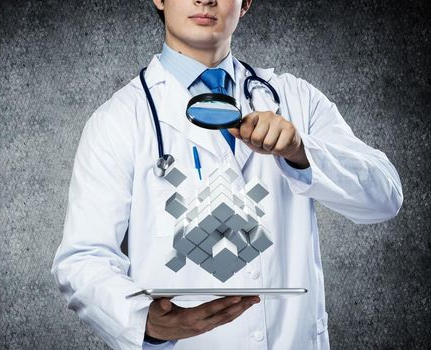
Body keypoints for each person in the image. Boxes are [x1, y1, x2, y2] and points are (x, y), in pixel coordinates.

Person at [50, 0, 403, 348]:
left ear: (246, 2)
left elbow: (385, 196)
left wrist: (300, 151)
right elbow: (83, 258)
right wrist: (145, 321)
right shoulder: (119, 120)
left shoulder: (295, 98)